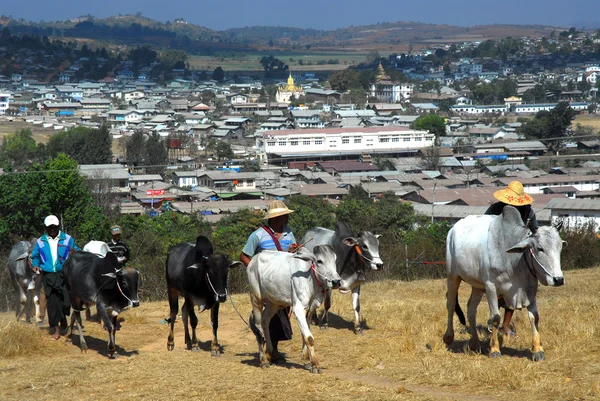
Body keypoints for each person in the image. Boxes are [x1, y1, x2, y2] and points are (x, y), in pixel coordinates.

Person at [240, 200, 299, 362]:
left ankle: (273, 348)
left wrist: (293, 250)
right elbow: (244, 256)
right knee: (271, 317)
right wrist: (255, 274)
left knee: (282, 315)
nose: (287, 218)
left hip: (284, 282)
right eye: (284, 215)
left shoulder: (288, 232)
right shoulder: (257, 235)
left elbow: (291, 255)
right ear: (275, 218)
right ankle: (270, 349)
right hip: (266, 283)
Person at [485, 181, 538, 338]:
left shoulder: (528, 212)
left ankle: (505, 327)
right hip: (497, 254)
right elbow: (485, 227)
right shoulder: (496, 209)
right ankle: (493, 321)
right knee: (494, 290)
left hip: (517, 257)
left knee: (513, 291)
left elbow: (535, 232)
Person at [30, 215, 79, 340]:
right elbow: (35, 256)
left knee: (65, 303)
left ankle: (63, 321)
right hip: (48, 275)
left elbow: (76, 250)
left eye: (54, 227)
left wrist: (77, 253)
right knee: (52, 303)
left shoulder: (68, 239)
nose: (52, 229)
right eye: (49, 227)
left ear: (58, 226)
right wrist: (35, 265)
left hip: (64, 274)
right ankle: (56, 330)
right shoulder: (41, 241)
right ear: (46, 228)